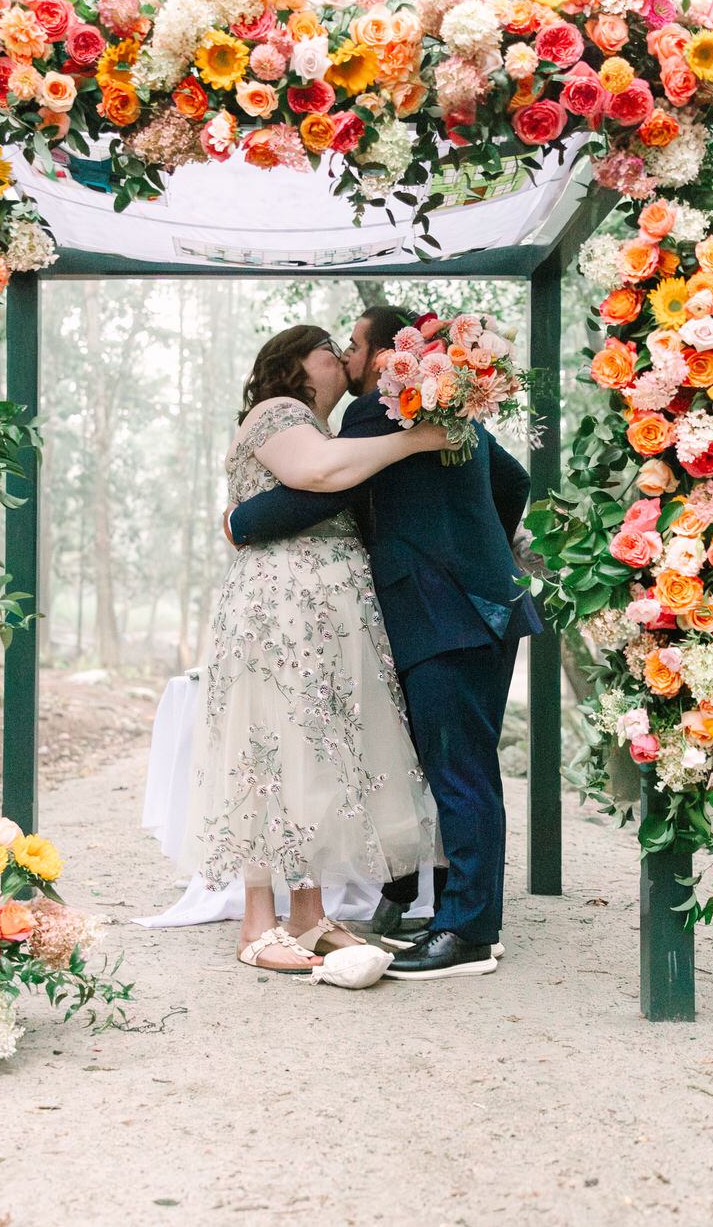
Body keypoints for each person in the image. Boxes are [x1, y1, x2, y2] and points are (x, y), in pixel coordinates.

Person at [227, 306, 541, 980]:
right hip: (490, 604)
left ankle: (467, 934)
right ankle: (464, 913)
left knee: (459, 773)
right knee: (470, 767)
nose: (346, 355)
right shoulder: (453, 416)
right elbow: (513, 481)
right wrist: (476, 542)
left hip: (438, 610)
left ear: (380, 360)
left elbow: (314, 495)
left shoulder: (380, 413)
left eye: (354, 345)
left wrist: (240, 518)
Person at [180, 323, 446, 973]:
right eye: (330, 349)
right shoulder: (278, 412)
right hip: (280, 606)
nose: (344, 358)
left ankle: (308, 914)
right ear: (295, 363)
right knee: (269, 750)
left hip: (322, 612)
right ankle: (256, 920)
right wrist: (416, 439)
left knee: (316, 753)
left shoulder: (322, 426)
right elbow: (317, 471)